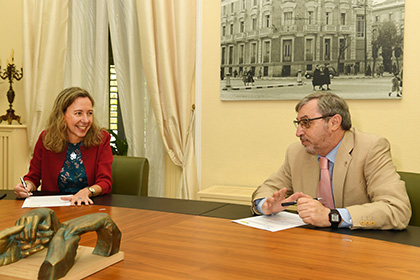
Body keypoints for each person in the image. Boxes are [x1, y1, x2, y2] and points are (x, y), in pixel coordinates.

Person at [252, 92, 411, 230]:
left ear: (334, 122)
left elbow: (397, 210)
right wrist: (265, 205)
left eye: (306, 123)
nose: (298, 132)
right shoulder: (297, 152)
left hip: (360, 248)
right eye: (298, 123)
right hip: (312, 247)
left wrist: (331, 216)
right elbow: (268, 189)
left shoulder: (371, 148)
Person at [14, 87, 113, 206]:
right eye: (78, 113)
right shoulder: (46, 139)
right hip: (53, 209)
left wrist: (87, 191)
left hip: (89, 206)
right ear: (62, 115)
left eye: (89, 113)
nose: (86, 120)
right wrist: (26, 187)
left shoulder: (101, 139)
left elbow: (105, 182)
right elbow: (33, 177)